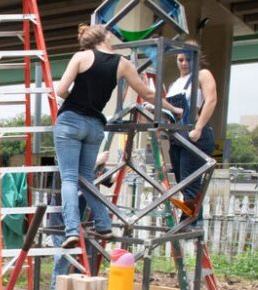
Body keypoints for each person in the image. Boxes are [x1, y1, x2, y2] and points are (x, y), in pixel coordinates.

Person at [53, 24, 154, 248]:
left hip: (70, 120)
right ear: (105, 37)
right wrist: (173, 109)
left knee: (69, 177)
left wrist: (75, 98)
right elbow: (146, 93)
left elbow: (60, 90)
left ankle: (71, 230)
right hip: (95, 124)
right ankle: (104, 225)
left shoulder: (81, 57)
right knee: (86, 177)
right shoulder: (123, 64)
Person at [165, 42, 218, 227]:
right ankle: (194, 219)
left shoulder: (202, 75)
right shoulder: (174, 84)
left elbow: (211, 99)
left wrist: (199, 127)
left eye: (188, 59)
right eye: (181, 59)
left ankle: (190, 221)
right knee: (182, 181)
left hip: (195, 133)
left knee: (190, 181)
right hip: (176, 135)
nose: (184, 63)